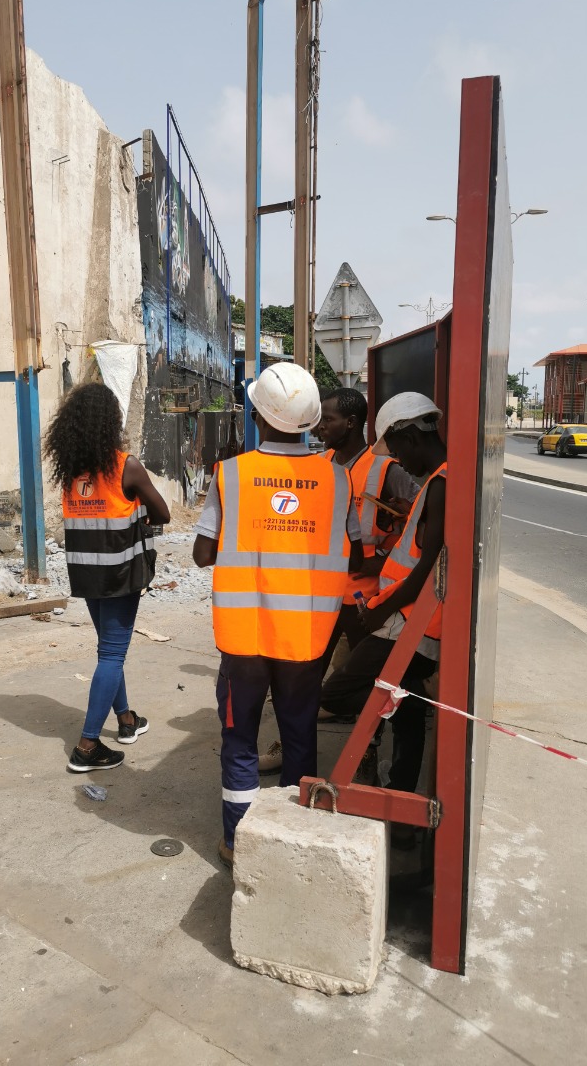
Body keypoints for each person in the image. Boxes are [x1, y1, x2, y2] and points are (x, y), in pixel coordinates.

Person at [193, 362, 363, 867]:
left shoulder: (231, 474)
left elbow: (204, 554)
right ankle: (294, 838)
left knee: (240, 737)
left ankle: (237, 841)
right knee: (299, 733)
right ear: (311, 420)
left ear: (258, 414)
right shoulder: (338, 479)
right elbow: (351, 551)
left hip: (244, 636)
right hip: (307, 637)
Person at [319, 392, 446, 796]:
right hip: (399, 615)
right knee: (404, 715)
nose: (401, 463)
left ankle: (409, 706)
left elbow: (424, 569)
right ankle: (403, 790)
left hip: (404, 621)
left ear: (408, 436)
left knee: (338, 693)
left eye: (399, 451)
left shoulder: (440, 483)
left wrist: (378, 611)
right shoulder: (438, 481)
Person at [44, 383, 170, 773]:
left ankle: (127, 721)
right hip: (119, 574)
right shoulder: (125, 466)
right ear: (110, 422)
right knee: (112, 655)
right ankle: (87, 745)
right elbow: (162, 513)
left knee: (107, 652)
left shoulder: (70, 470)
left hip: (86, 573)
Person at [316, 387, 419, 678]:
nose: (320, 426)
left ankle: (366, 720)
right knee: (311, 664)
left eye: (328, 419)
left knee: (364, 672)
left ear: (350, 422)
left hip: (364, 592)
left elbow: (419, 520)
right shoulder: (319, 466)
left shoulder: (385, 469)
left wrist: (385, 559)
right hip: (323, 587)